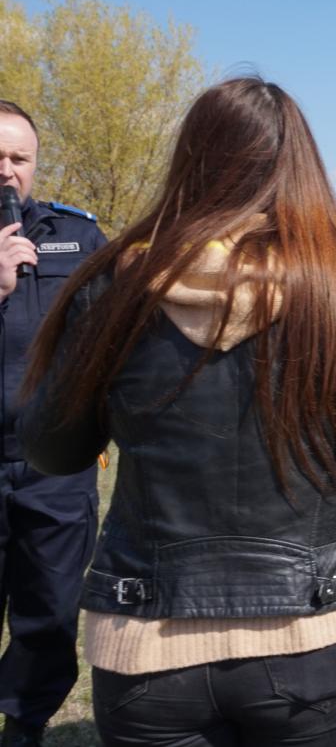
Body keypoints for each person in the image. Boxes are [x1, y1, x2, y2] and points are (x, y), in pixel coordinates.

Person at [18, 77, 336, 746]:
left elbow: (52, 449)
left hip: (149, 642)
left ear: (189, 161)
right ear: (300, 167)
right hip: (312, 633)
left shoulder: (113, 287)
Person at [0, 100, 106, 747]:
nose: (6, 171)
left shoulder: (77, 236)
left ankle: (24, 725)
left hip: (53, 468)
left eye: (19, 158)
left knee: (50, 610)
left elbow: (115, 336)